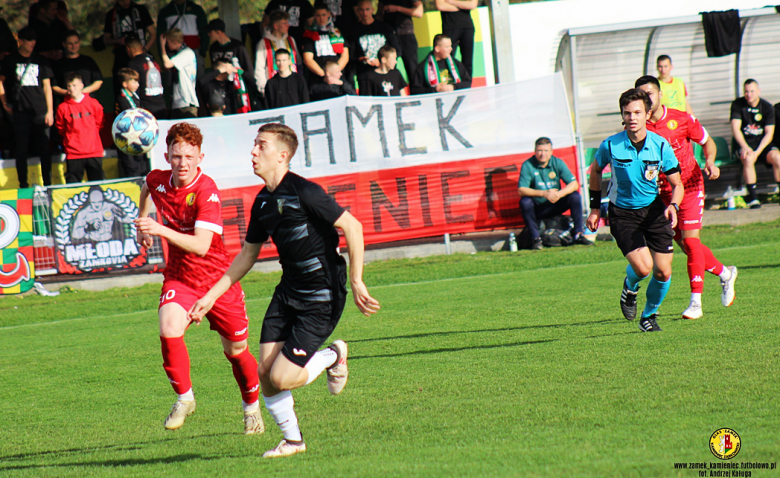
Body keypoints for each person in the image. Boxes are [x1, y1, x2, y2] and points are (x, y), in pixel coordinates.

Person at [189, 123, 380, 458]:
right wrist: (210, 296)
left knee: (282, 376)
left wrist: (356, 279)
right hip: (288, 291)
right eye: (253, 144)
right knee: (265, 373)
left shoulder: (305, 191)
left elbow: (353, 226)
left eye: (261, 146)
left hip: (322, 295)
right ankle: (293, 441)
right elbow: (247, 255)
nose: (253, 151)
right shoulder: (262, 202)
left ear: (282, 156)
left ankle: (334, 354)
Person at [134, 122, 263, 434]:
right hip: (180, 277)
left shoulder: (207, 190)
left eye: (189, 157)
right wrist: (143, 221)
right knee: (168, 326)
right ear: (167, 156)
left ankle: (252, 409)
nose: (183, 163)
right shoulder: (158, 179)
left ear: (200, 157)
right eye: (177, 156)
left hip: (218, 281)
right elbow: (147, 188)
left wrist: (159, 229)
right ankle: (185, 398)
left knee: (236, 350)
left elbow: (202, 245)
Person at [636, 76, 737, 319]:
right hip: (662, 195)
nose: (646, 98)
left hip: (690, 186)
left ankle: (696, 303)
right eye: (641, 95)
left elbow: (707, 142)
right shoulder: (639, 127)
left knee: (692, 243)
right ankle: (725, 273)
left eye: (649, 93)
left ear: (660, 94)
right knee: (685, 246)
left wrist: (710, 161)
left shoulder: (681, 118)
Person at [586, 88, 683, 333]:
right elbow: (595, 171)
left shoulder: (660, 145)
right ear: (622, 115)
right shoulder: (611, 144)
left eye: (637, 112)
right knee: (643, 268)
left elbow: (677, 184)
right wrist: (595, 209)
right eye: (627, 113)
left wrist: (673, 205)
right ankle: (630, 286)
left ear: (647, 114)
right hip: (623, 213)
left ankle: (648, 316)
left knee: (663, 271)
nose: (632, 117)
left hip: (653, 210)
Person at [0, 27, 54, 188]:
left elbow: (47, 86)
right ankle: (23, 183)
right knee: (21, 149)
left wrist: (50, 111)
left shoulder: (41, 60)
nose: (32, 43)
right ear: (20, 41)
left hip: (40, 110)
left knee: (45, 149)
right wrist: (4, 103)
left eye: (34, 40)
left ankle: (48, 183)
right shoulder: (10, 61)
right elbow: (0, 81)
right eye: (29, 40)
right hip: (20, 111)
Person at [518, 137, 592, 250]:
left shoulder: (557, 162)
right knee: (525, 202)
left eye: (546, 151)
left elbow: (574, 184)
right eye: (540, 151)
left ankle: (578, 234)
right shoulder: (528, 165)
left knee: (575, 196)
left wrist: (560, 194)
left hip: (555, 204)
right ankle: (535, 239)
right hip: (538, 208)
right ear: (535, 151)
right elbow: (521, 190)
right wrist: (544, 194)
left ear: (551, 152)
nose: (543, 154)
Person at [730, 79, 780, 209]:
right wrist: (745, 147)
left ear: (758, 91)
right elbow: (736, 129)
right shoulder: (737, 105)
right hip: (745, 144)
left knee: (777, 157)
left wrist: (758, 151)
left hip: (761, 145)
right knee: (748, 158)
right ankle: (753, 198)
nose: (749, 94)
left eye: (752, 91)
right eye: (746, 91)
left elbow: (769, 134)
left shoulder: (767, 107)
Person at [55, 73, 105, 183]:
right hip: (73, 153)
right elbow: (61, 128)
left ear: (82, 85)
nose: (72, 89)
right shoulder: (62, 107)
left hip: (94, 151)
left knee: (97, 186)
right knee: (73, 187)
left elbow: (99, 123)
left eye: (74, 85)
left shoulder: (93, 103)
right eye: (69, 86)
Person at [103, 0, 156, 97]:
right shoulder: (112, 14)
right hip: (122, 58)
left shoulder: (140, 10)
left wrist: (146, 48)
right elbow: (106, 40)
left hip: (141, 55)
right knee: (121, 88)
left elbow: (153, 33)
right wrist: (118, 41)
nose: (125, 2)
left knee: (144, 85)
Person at [349, 0, 402, 94]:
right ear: (357, 11)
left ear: (373, 10)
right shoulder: (354, 31)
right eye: (361, 10)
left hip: (385, 75)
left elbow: (397, 50)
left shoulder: (384, 27)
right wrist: (363, 59)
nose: (364, 13)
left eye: (367, 9)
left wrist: (382, 60)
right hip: (365, 75)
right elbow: (351, 57)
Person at [255, 10, 302, 98]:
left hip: (293, 86)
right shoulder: (263, 43)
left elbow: (298, 63)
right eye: (284, 23)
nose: (288, 25)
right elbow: (259, 69)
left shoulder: (291, 40)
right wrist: (263, 89)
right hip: (274, 88)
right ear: (276, 26)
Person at [302, 4, 349, 84]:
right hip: (318, 78)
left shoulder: (337, 32)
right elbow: (308, 59)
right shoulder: (309, 34)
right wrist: (324, 75)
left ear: (329, 14)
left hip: (337, 76)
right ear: (314, 16)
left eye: (324, 15)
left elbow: (345, 56)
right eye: (318, 15)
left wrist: (335, 73)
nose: (321, 18)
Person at [115, 68, 149, 177]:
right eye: (134, 81)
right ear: (125, 84)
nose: (137, 84)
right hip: (127, 140)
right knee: (132, 169)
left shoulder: (136, 98)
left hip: (139, 139)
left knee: (144, 168)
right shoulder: (122, 99)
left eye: (137, 81)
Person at [52, 30, 104, 99]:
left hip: (88, 102)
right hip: (68, 104)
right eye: (70, 44)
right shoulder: (58, 64)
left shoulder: (88, 60)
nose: (74, 46)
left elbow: (98, 81)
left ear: (79, 43)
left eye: (76, 43)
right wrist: (68, 93)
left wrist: (83, 91)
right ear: (64, 44)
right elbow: (54, 86)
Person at [160, 28, 199, 119]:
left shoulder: (186, 53)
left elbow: (167, 64)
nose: (167, 46)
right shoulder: (180, 53)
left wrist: (162, 46)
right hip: (179, 102)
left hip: (186, 103)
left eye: (167, 43)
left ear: (173, 41)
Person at [377, 0, 422, 78]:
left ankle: (416, 89)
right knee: (388, 66)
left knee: (412, 68)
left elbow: (419, 12)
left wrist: (397, 8)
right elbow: (379, 14)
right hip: (389, 34)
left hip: (406, 34)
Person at [126, 35, 167, 119]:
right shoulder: (153, 61)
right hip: (161, 105)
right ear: (141, 47)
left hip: (146, 108)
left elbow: (134, 88)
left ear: (128, 49)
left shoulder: (134, 63)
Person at [435, 0, 476, 78]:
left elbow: (472, 5)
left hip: (467, 27)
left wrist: (451, 1)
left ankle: (467, 85)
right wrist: (463, 6)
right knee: (447, 59)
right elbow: (440, 6)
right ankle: (449, 83)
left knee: (468, 61)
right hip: (450, 27)